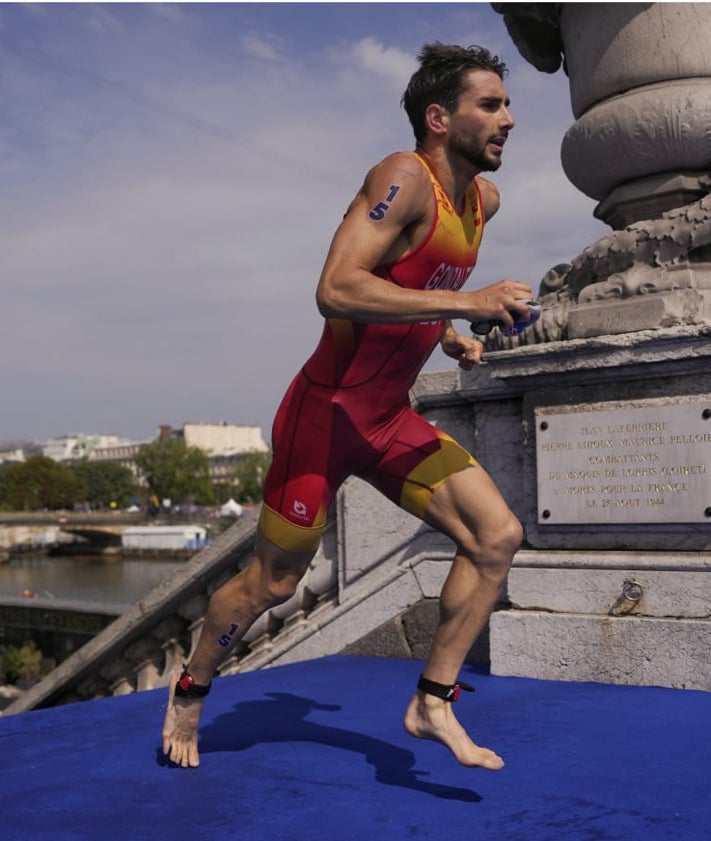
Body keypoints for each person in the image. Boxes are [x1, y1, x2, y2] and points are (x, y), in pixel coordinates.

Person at [163, 42, 533, 770]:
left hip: (389, 419)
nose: (508, 120)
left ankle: (432, 698)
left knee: (496, 536)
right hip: (323, 417)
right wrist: (468, 299)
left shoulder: (481, 200)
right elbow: (336, 287)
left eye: (507, 105)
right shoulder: (404, 175)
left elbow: (407, 279)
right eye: (489, 104)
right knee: (272, 584)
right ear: (438, 117)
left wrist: (449, 334)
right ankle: (191, 682)